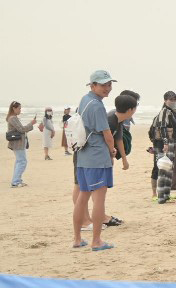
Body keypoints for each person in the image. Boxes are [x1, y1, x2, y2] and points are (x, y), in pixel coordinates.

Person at [72, 70, 118, 251]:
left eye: (109, 84)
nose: (108, 88)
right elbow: (107, 134)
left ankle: (77, 239)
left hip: (83, 155)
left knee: (82, 197)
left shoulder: (84, 100)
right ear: (93, 85)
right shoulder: (97, 106)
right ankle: (96, 240)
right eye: (103, 84)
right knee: (99, 200)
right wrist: (112, 151)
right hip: (97, 156)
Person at [149, 91, 176, 203]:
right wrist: (165, 143)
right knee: (160, 168)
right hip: (161, 144)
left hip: (168, 143)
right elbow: (162, 128)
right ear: (165, 100)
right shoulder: (164, 111)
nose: (173, 101)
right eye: (170, 99)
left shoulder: (170, 112)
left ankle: (165, 194)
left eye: (174, 99)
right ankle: (159, 195)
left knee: (167, 168)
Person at [6, 101, 37, 187]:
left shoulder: (13, 117)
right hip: (17, 143)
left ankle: (17, 180)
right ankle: (15, 181)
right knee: (22, 161)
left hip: (18, 143)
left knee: (19, 161)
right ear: (14, 108)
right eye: (19, 108)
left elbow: (20, 129)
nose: (20, 110)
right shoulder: (13, 118)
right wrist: (31, 124)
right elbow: (22, 129)